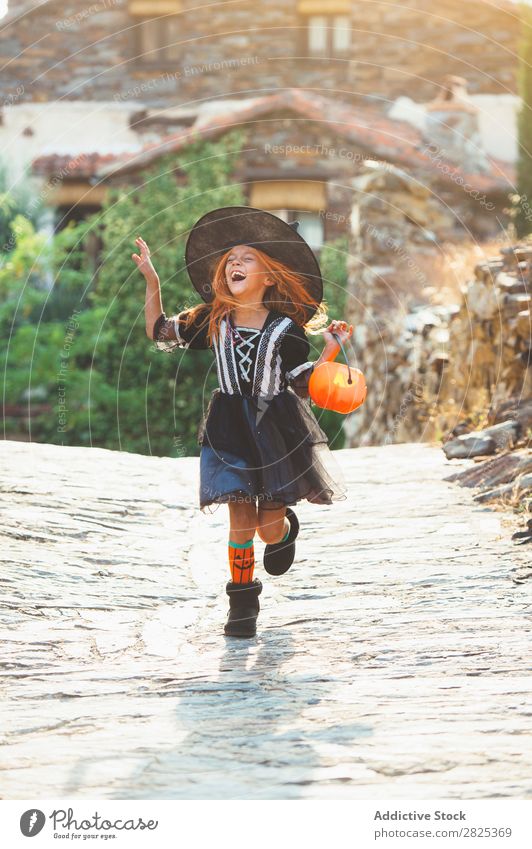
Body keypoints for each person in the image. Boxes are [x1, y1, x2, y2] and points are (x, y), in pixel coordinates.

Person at [132, 206, 352, 639]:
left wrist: (329, 351)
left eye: (246, 258)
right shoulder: (211, 320)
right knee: (239, 521)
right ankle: (242, 604)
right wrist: (152, 282)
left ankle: (285, 528)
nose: (235, 263)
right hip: (228, 426)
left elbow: (298, 381)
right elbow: (158, 331)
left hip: (275, 427)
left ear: (268, 276)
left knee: (266, 529)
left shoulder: (286, 329)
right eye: (231, 258)